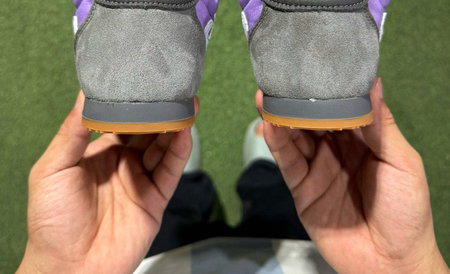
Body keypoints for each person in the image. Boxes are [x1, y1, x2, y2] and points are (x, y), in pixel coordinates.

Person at [17, 78, 448, 273]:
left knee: (166, 197)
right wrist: (403, 268)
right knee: (278, 190)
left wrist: (62, 270)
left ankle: (189, 188)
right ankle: (258, 174)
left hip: (155, 262)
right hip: (305, 257)